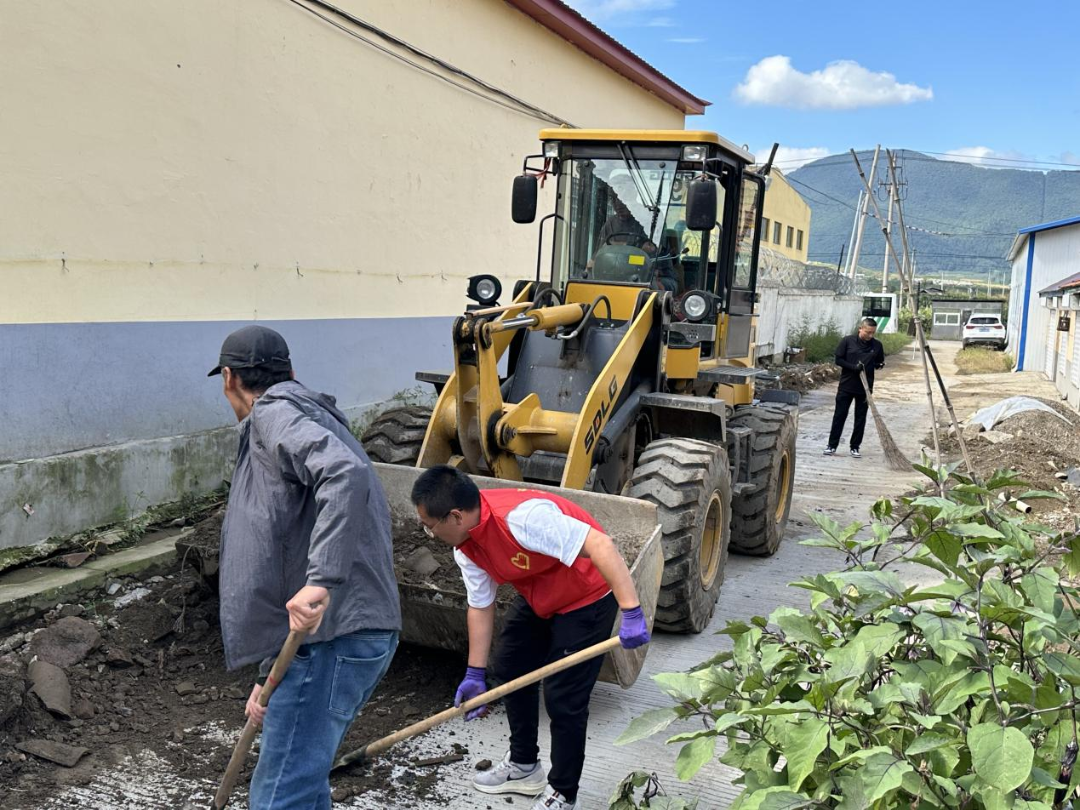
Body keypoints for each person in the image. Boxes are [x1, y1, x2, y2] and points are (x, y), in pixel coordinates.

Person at [209, 324, 401, 809]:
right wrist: (267, 673)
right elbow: (287, 541)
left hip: (330, 641)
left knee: (279, 798)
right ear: (290, 371)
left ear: (229, 378)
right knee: (303, 783)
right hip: (322, 643)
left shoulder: (273, 413)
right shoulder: (306, 411)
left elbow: (344, 473)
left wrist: (321, 581)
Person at [410, 466, 651, 810]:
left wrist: (631, 610)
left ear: (455, 516)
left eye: (430, 526)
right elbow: (480, 606)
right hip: (540, 594)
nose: (428, 534)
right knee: (510, 666)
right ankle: (524, 766)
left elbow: (601, 544)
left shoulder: (524, 519)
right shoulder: (466, 547)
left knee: (563, 696)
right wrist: (475, 673)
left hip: (588, 594)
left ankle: (563, 793)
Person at [825, 317, 886, 458]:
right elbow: (838, 359)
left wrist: (879, 365)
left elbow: (879, 361)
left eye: (873, 333)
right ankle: (832, 445)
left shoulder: (877, 345)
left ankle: (855, 447)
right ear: (860, 329)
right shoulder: (848, 341)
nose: (870, 336)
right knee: (840, 415)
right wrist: (854, 367)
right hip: (847, 385)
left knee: (860, 418)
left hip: (865, 388)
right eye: (868, 332)